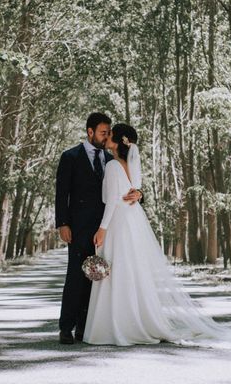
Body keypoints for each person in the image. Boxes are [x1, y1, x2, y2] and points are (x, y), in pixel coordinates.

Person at [83, 123, 231, 347]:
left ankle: (116, 326)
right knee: (130, 272)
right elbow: (133, 191)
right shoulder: (129, 165)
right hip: (132, 222)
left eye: (111, 135)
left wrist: (102, 228)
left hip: (117, 222)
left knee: (117, 272)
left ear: (120, 141)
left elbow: (113, 201)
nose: (107, 138)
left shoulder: (114, 166)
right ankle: (136, 321)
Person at [55, 113, 143, 344]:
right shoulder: (70, 157)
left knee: (98, 279)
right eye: (103, 132)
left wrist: (140, 195)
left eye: (108, 133)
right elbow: (61, 193)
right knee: (76, 275)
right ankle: (67, 327)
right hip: (79, 227)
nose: (106, 137)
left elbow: (124, 189)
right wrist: (62, 223)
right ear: (90, 131)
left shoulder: (112, 158)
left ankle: (87, 327)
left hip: (108, 228)